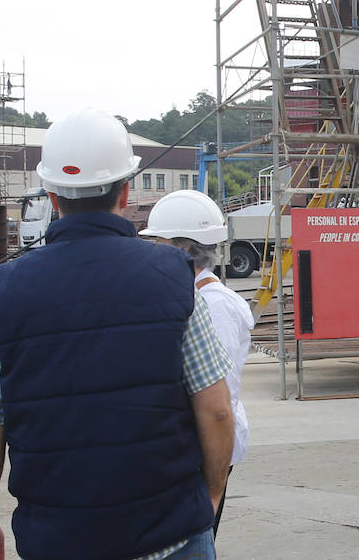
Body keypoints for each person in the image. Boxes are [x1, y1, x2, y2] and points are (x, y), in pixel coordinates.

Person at [0, 109, 234, 560]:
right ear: (125, 192)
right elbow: (217, 410)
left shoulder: (1, 293)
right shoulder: (173, 277)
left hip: (56, 540)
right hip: (172, 534)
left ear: (51, 195)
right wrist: (209, 496)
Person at [140, 189, 254, 537]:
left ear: (184, 249)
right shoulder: (192, 299)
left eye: (159, 243)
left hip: (208, 446)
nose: (153, 253)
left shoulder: (214, 305)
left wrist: (213, 486)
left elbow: (218, 399)